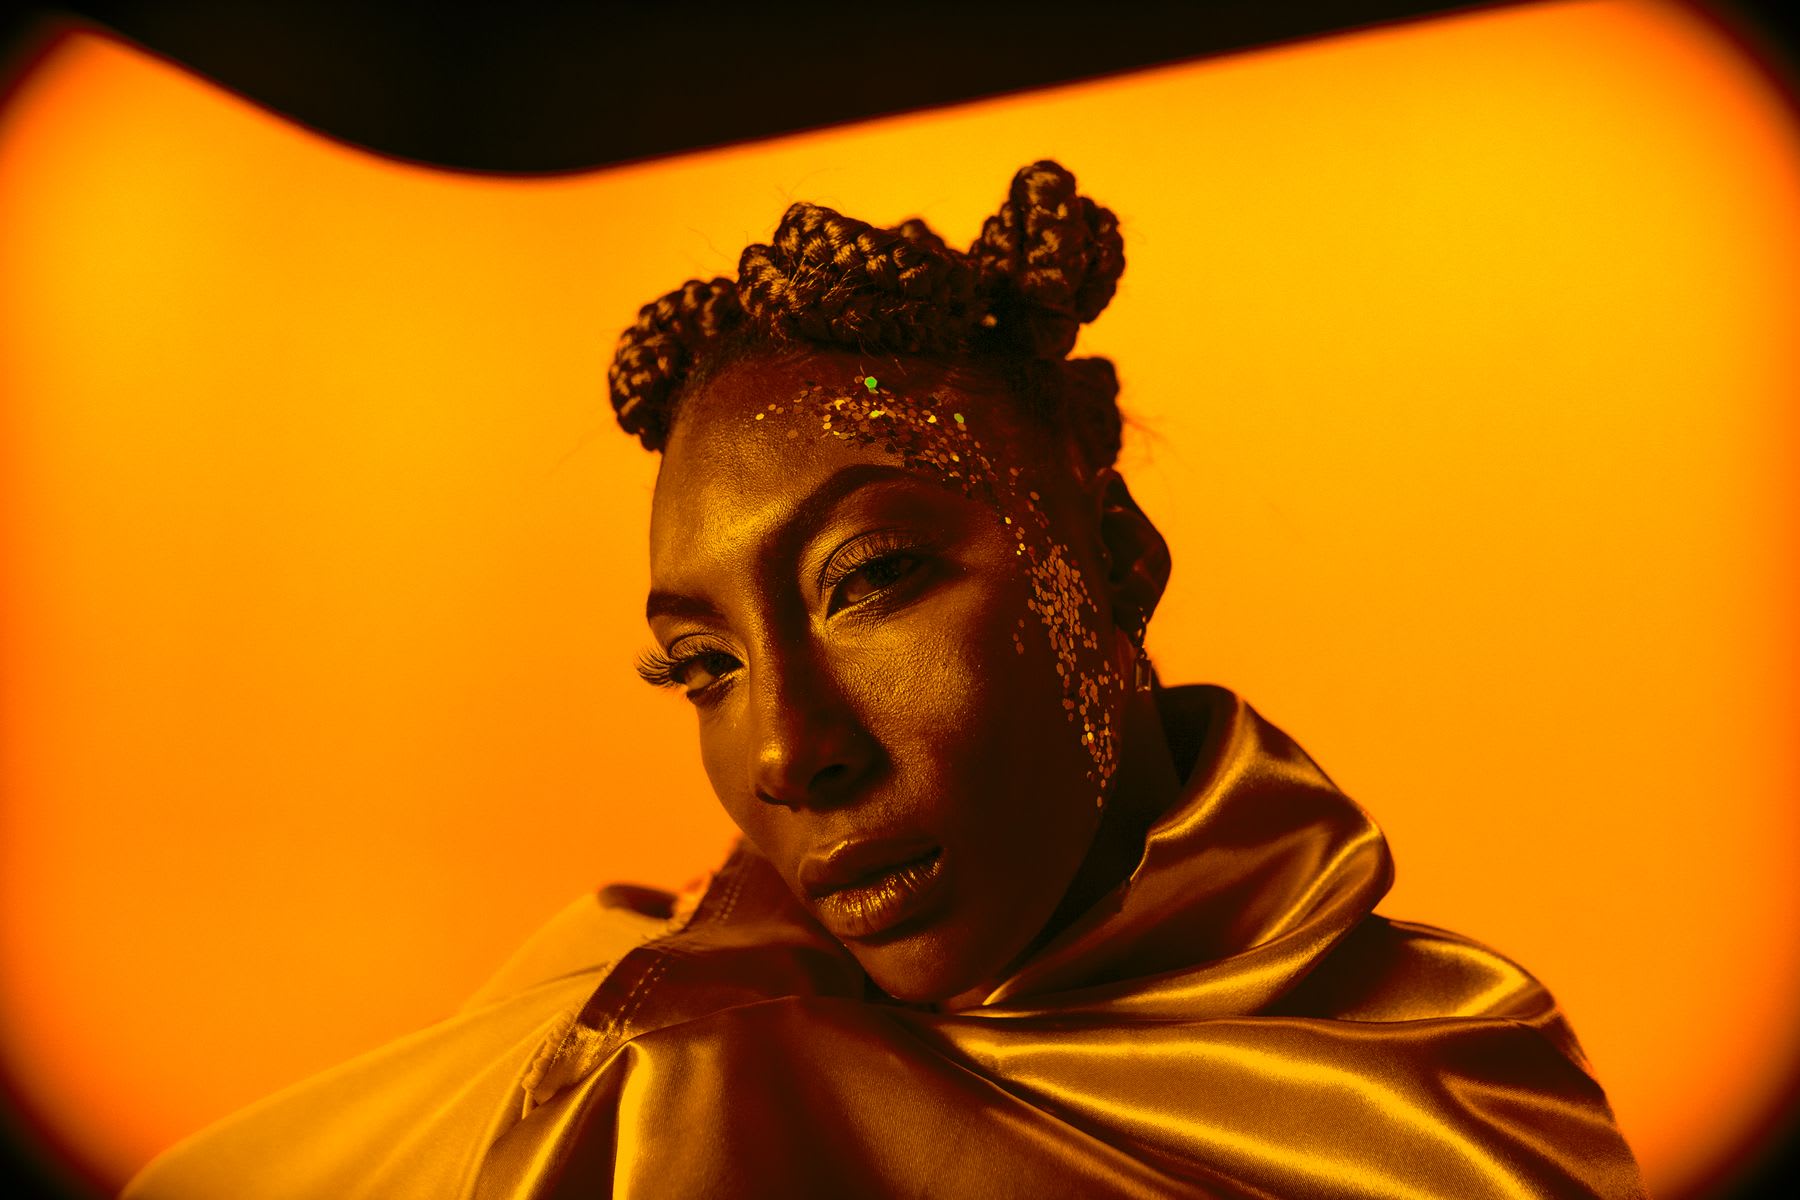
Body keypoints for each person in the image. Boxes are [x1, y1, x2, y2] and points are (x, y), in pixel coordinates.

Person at [125, 160, 1646, 1198]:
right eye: (698, 665)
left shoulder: (1458, 1090)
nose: (789, 750)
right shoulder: (661, 1079)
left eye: (869, 583)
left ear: (1108, 549)